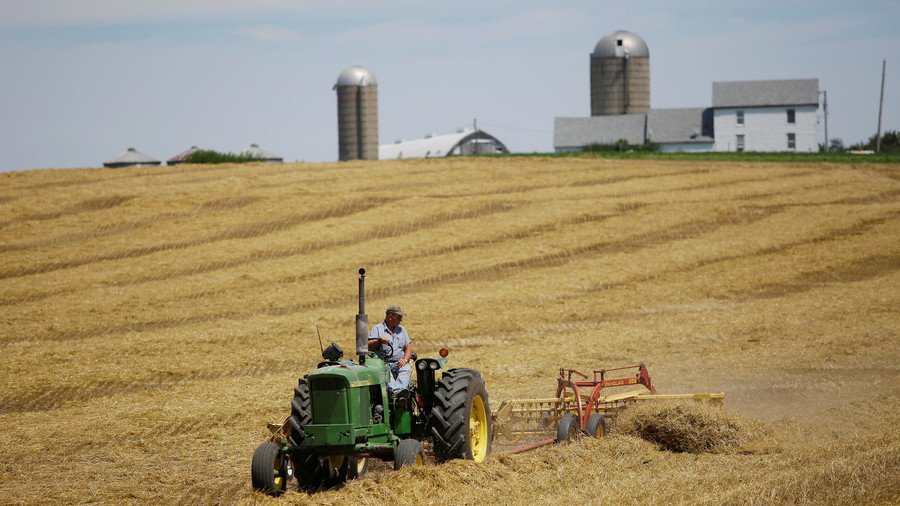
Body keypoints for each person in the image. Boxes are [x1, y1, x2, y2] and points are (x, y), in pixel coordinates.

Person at [368, 305, 413, 394]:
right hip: (383, 363)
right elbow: (368, 346)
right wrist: (379, 341)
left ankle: (400, 392)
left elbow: (408, 349)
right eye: (399, 317)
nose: (401, 320)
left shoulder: (402, 330)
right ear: (390, 317)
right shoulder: (377, 329)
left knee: (406, 368)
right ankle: (396, 393)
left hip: (399, 362)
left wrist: (404, 360)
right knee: (385, 371)